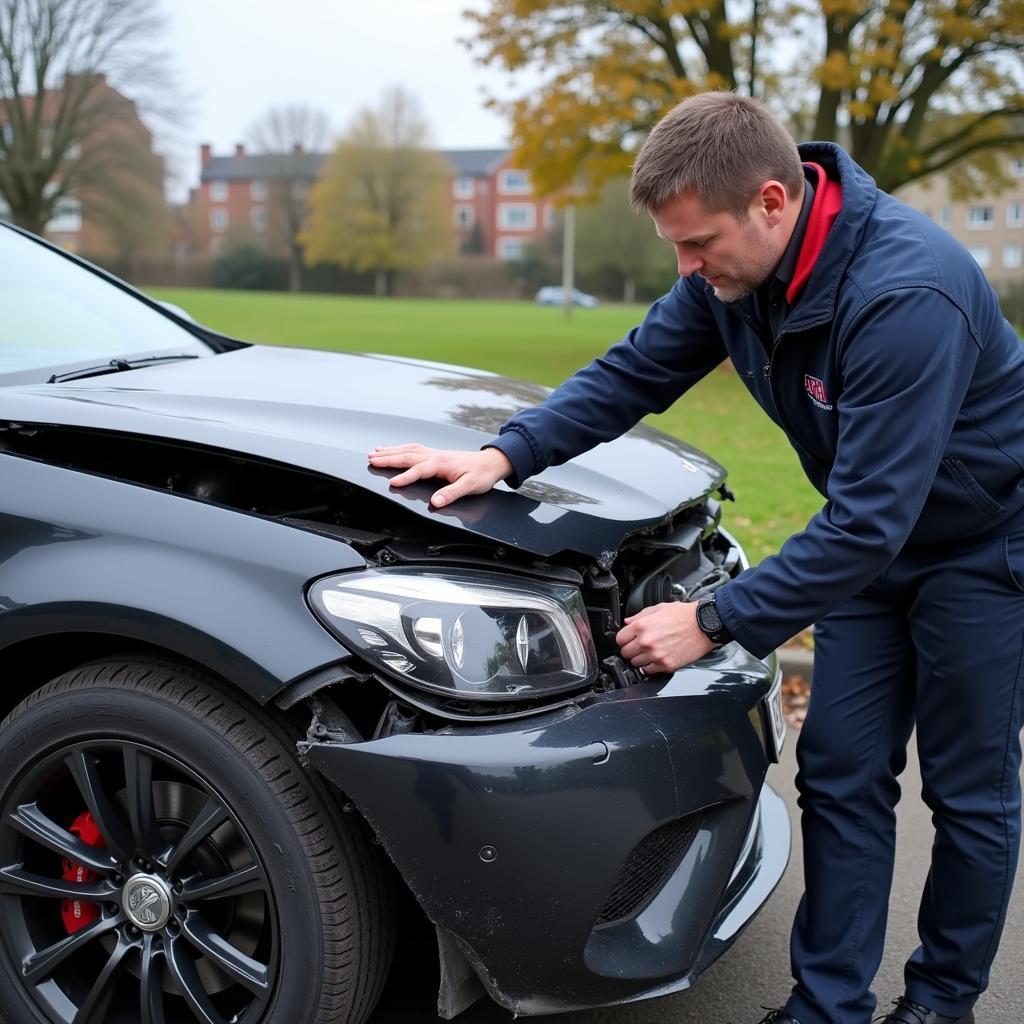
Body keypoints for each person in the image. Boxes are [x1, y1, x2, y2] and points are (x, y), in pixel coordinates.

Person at [368, 92, 1024, 1024]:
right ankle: (828, 1008)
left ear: (771, 201)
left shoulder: (906, 294)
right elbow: (632, 372)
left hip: (985, 546)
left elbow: (871, 521)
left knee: (968, 791)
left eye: (697, 242)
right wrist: (504, 452)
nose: (685, 267)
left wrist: (711, 620)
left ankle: (943, 1003)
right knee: (841, 774)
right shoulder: (737, 277)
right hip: (872, 550)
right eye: (675, 246)